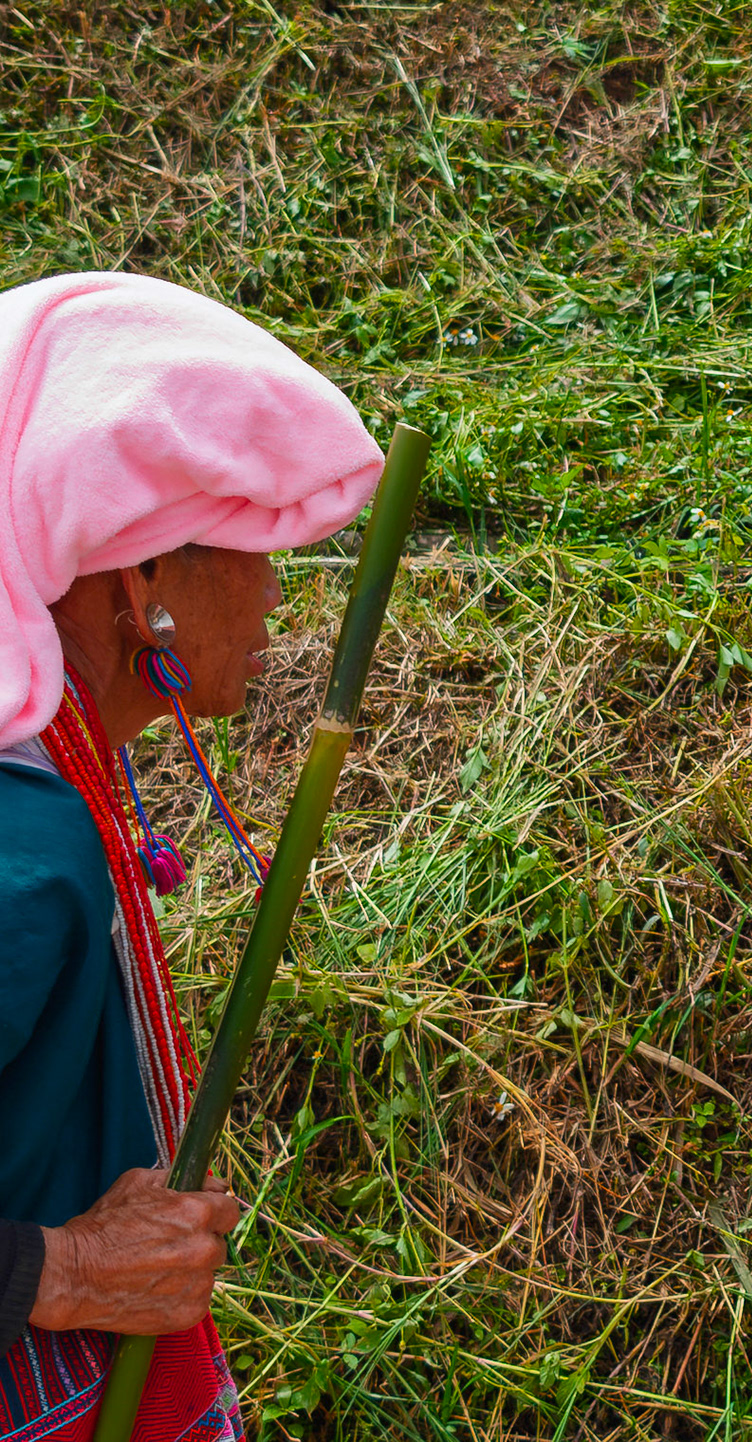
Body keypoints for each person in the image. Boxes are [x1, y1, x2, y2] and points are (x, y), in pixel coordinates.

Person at [0, 272, 385, 1439]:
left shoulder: (57, 778)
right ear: (145, 579)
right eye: (251, 546)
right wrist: (57, 1269)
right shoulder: (25, 851)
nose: (276, 594)